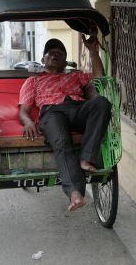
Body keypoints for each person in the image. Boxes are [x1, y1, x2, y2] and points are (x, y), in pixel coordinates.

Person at [19, 36, 111, 211]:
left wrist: (93, 51)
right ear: (42, 60)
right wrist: (28, 121)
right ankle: (75, 192)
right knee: (62, 142)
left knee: (102, 103)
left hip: (77, 107)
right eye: (50, 52)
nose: (55, 54)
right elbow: (24, 110)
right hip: (51, 113)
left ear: (65, 60)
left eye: (59, 53)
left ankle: (87, 158)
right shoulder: (34, 80)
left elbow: (100, 78)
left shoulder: (76, 75)